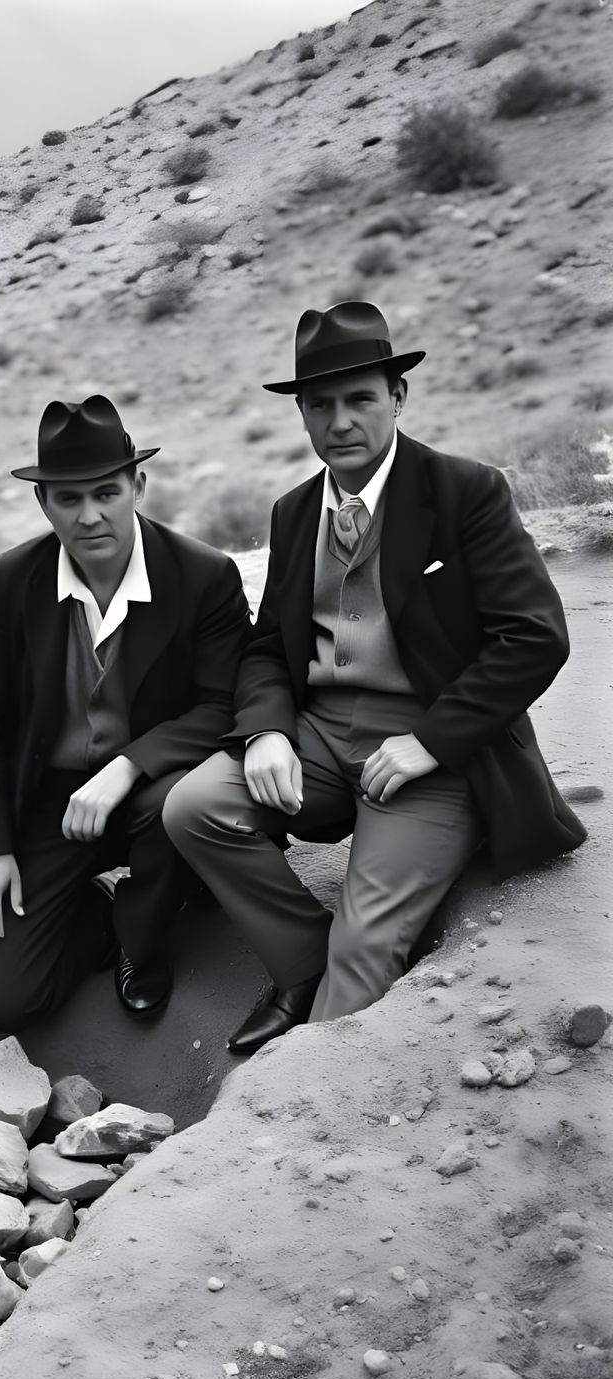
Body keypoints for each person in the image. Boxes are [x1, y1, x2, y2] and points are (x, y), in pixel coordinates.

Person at [164, 301, 585, 1053]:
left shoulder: (465, 491)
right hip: (320, 734)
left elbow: (534, 637)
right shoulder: (294, 512)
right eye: (320, 405)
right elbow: (266, 646)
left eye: (359, 398)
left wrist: (432, 741)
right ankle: (301, 964)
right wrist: (264, 732)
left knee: (364, 960)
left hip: (432, 750)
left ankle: (295, 1105)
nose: (341, 421)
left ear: (397, 397)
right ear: (301, 415)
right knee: (192, 806)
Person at [0, 394, 250, 1030]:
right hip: (50, 807)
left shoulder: (205, 576)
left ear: (137, 485)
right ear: (43, 503)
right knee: (7, 1001)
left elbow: (222, 705)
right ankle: (96, 912)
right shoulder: (13, 578)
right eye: (68, 498)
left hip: (151, 793)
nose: (89, 516)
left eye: (106, 493)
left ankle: (143, 939)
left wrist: (127, 766)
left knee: (173, 804)